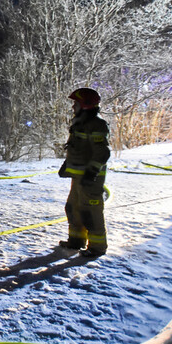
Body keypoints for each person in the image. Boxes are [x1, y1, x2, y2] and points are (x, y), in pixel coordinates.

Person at [58, 88, 110, 257]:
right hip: (78, 177)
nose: (73, 106)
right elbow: (77, 147)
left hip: (90, 178)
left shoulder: (97, 124)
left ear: (85, 105)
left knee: (90, 212)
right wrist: (67, 165)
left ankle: (97, 248)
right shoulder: (80, 121)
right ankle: (76, 241)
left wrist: (92, 172)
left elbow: (102, 152)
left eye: (76, 103)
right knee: (73, 208)